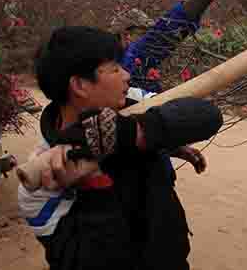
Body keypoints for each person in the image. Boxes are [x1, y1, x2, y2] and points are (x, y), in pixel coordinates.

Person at [18, 26, 223, 270]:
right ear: (80, 85)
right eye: (115, 69)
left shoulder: (132, 104)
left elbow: (207, 115)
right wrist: (95, 185)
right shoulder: (42, 181)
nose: (126, 75)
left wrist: (137, 134)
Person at [111, 0, 227, 95]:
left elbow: (166, 30)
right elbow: (165, 32)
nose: (134, 39)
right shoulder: (129, 61)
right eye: (136, 33)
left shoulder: (131, 58)